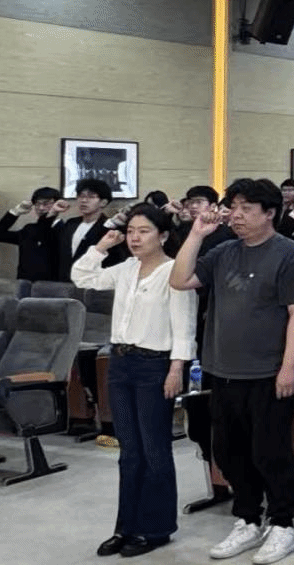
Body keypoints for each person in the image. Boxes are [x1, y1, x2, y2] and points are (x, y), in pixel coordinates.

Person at [169, 178, 294, 565]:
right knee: (229, 453)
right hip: (222, 369)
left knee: (270, 453)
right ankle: (247, 518)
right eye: (234, 207)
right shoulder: (224, 251)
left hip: (268, 372)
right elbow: (179, 280)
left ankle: (283, 524)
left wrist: (288, 367)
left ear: (270, 213)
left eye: (247, 208)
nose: (237, 215)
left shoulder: (290, 254)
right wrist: (197, 233)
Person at [71, 204, 196, 558]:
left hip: (155, 366)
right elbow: (82, 277)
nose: (134, 238)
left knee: (155, 449)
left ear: (163, 236)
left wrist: (176, 370)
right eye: (130, 231)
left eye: (143, 231)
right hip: (121, 363)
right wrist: (101, 246)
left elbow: (184, 327)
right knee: (129, 451)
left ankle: (156, 528)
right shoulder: (126, 268)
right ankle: (125, 527)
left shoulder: (175, 272)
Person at [55, 178, 122, 280]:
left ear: (103, 202)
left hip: (92, 282)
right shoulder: (71, 223)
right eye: (81, 196)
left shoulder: (109, 228)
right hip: (64, 282)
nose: (84, 200)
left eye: (91, 197)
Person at [0, 186, 60, 282]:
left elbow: (45, 231)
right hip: (24, 284)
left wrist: (51, 215)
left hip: (53, 286)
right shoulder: (29, 229)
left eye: (46, 204)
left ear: (58, 204)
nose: (41, 208)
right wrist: (15, 212)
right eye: (37, 204)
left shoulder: (65, 229)